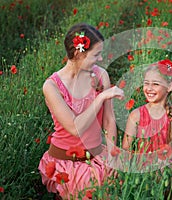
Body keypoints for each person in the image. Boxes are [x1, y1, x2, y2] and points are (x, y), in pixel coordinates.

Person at [38, 23, 124, 199]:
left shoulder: (101, 75)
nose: (100, 60)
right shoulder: (52, 86)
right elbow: (75, 128)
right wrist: (100, 98)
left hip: (97, 156)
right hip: (67, 163)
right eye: (96, 55)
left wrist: (113, 157)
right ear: (79, 53)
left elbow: (108, 121)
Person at [122, 59, 172, 174]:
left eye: (155, 84)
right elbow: (126, 149)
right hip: (144, 165)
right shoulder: (136, 115)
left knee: (164, 170)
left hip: (170, 164)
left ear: (169, 86)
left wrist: (165, 160)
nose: (149, 88)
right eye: (146, 83)